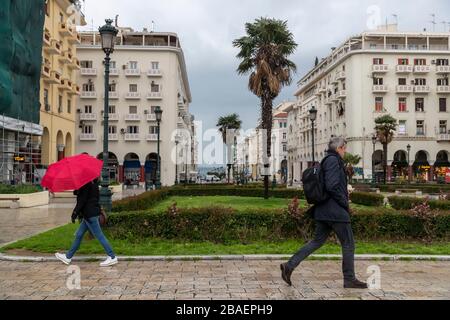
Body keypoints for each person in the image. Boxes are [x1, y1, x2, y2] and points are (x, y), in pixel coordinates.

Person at [280, 137, 367, 289]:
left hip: (324, 211)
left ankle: (289, 266)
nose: (345, 151)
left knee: (317, 241)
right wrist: (344, 203)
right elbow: (332, 186)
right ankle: (349, 279)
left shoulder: (327, 160)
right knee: (348, 244)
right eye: (344, 148)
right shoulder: (333, 161)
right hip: (335, 211)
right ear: (339, 148)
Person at [55, 178, 118, 267]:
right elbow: (90, 196)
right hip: (90, 214)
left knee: (100, 236)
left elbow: (82, 200)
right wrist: (78, 191)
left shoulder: (85, 183)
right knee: (79, 235)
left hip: (90, 215)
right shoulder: (93, 183)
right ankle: (68, 257)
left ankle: (112, 257)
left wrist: (74, 213)